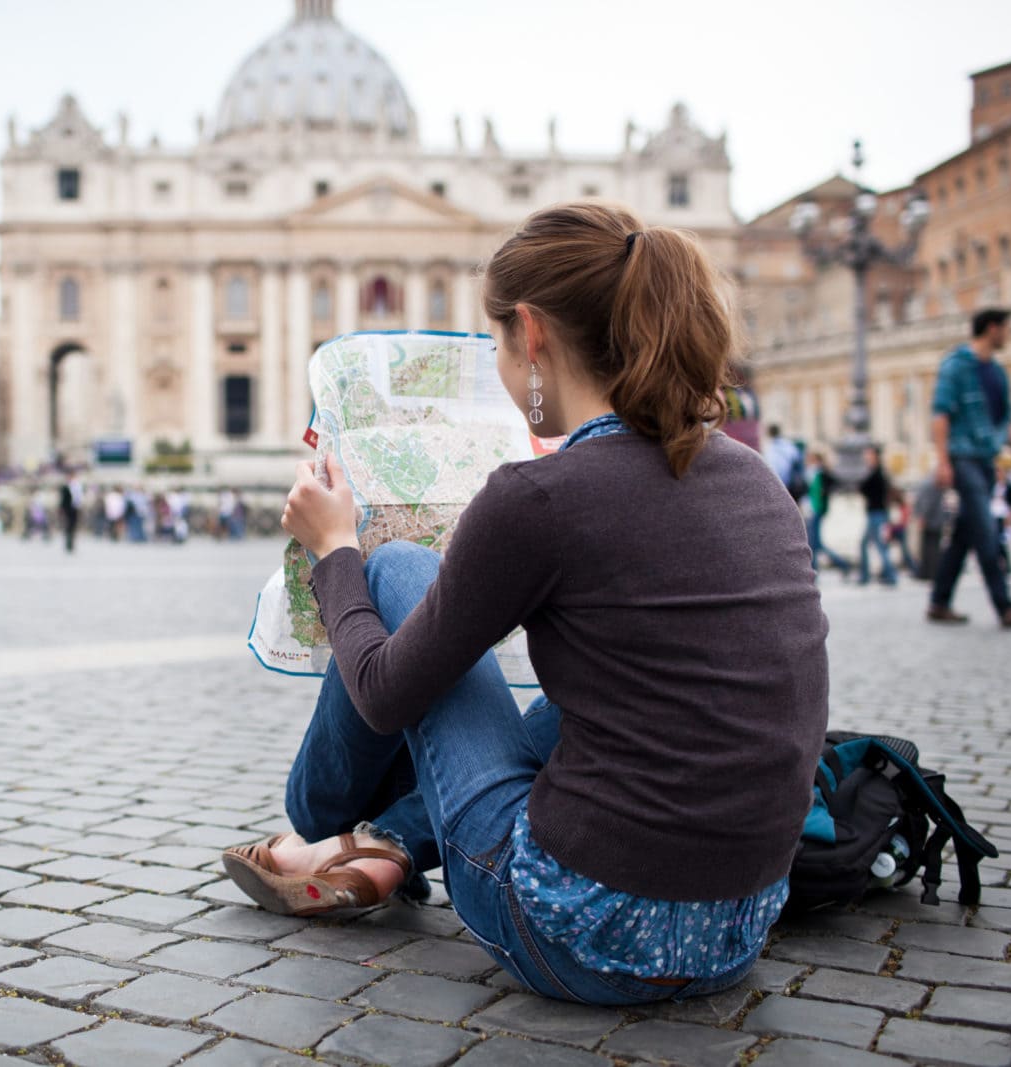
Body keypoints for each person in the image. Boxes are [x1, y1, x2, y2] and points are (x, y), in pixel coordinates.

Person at [221, 204, 828, 1006]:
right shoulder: (756, 479)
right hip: (733, 931)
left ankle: (322, 824)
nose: (504, 375)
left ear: (531, 335)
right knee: (604, 689)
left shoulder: (541, 497)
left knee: (397, 567)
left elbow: (382, 692)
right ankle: (392, 842)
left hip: (578, 934)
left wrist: (337, 551)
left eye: (498, 345)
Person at [927, 308, 1011, 628]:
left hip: (986, 460)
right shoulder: (955, 367)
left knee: (964, 534)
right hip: (962, 458)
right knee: (986, 530)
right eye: (1006, 329)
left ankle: (939, 601)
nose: (1008, 335)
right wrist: (943, 461)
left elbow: (1006, 424)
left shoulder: (997, 373)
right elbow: (940, 415)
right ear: (991, 328)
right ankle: (1005, 606)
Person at [803, 449, 850, 576]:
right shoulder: (812, 472)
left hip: (817, 510)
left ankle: (816, 571)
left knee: (814, 543)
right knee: (816, 543)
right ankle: (840, 565)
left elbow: (834, 484)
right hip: (813, 509)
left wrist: (824, 492)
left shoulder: (821, 473)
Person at [857, 447, 897, 586]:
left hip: (876, 513)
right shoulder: (877, 472)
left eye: (868, 455)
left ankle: (888, 576)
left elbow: (863, 488)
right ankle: (872, 575)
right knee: (874, 544)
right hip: (877, 513)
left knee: (878, 545)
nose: (866, 457)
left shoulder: (876, 473)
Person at [762, 424, 805, 503]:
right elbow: (798, 461)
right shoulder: (789, 445)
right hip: (790, 486)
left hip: (780, 485)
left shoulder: (770, 448)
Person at [59, 473, 82, 553]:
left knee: (73, 526)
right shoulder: (65, 488)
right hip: (67, 509)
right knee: (68, 526)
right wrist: (62, 509)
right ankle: (68, 544)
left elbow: (78, 499)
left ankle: (71, 544)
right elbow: (63, 500)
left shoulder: (77, 487)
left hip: (74, 509)